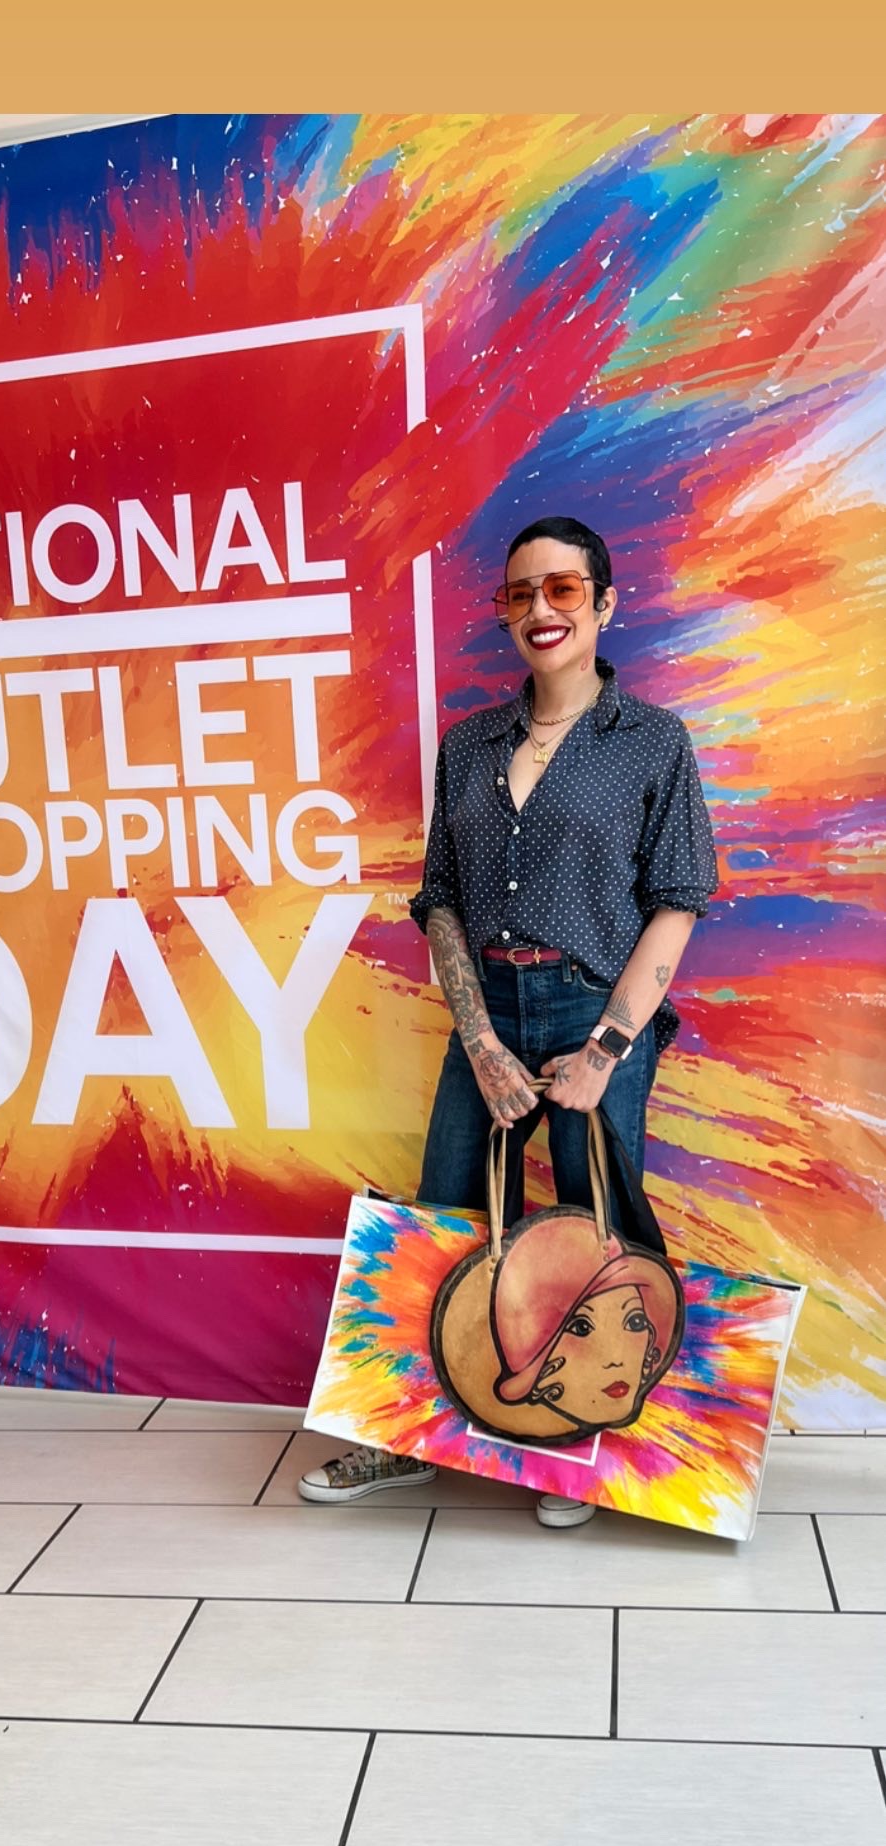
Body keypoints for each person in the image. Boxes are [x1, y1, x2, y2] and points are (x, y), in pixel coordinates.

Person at [299, 516, 718, 1525]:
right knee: (441, 1218)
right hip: (487, 1008)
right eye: (520, 594)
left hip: (594, 1009)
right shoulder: (469, 745)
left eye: (563, 589)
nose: (541, 610)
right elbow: (441, 898)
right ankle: (397, 1435)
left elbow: (676, 902)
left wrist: (605, 1050)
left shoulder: (652, 743)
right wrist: (481, 1040)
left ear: (603, 603)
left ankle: (588, 1451)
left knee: (599, 1224)